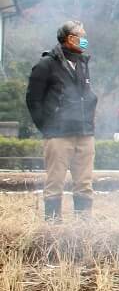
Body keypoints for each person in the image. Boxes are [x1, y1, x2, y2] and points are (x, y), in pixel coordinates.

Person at [25, 21, 98, 221]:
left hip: (84, 133)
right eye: (81, 36)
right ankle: (52, 228)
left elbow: (86, 96)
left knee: (84, 183)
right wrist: (47, 127)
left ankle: (83, 229)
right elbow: (33, 99)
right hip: (58, 134)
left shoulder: (83, 63)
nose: (84, 40)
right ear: (69, 38)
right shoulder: (46, 64)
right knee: (55, 182)